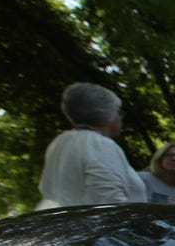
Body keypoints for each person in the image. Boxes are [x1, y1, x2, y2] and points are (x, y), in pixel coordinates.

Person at [37, 82, 146, 210]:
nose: (120, 118)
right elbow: (109, 203)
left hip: (67, 224)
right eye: (118, 113)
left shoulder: (60, 142)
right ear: (108, 115)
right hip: (102, 227)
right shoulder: (99, 145)